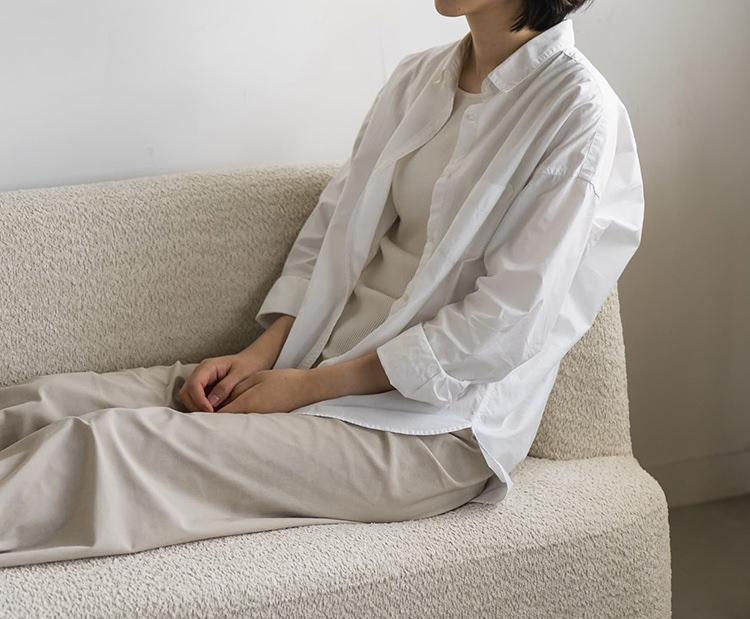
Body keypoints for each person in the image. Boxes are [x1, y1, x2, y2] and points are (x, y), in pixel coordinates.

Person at [0, 0, 644, 568]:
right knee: (47, 403)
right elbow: (332, 231)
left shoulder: (578, 113)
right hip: (313, 360)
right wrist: (262, 356)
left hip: (429, 430)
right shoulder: (418, 78)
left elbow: (502, 325)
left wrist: (306, 388)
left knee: (106, 448)